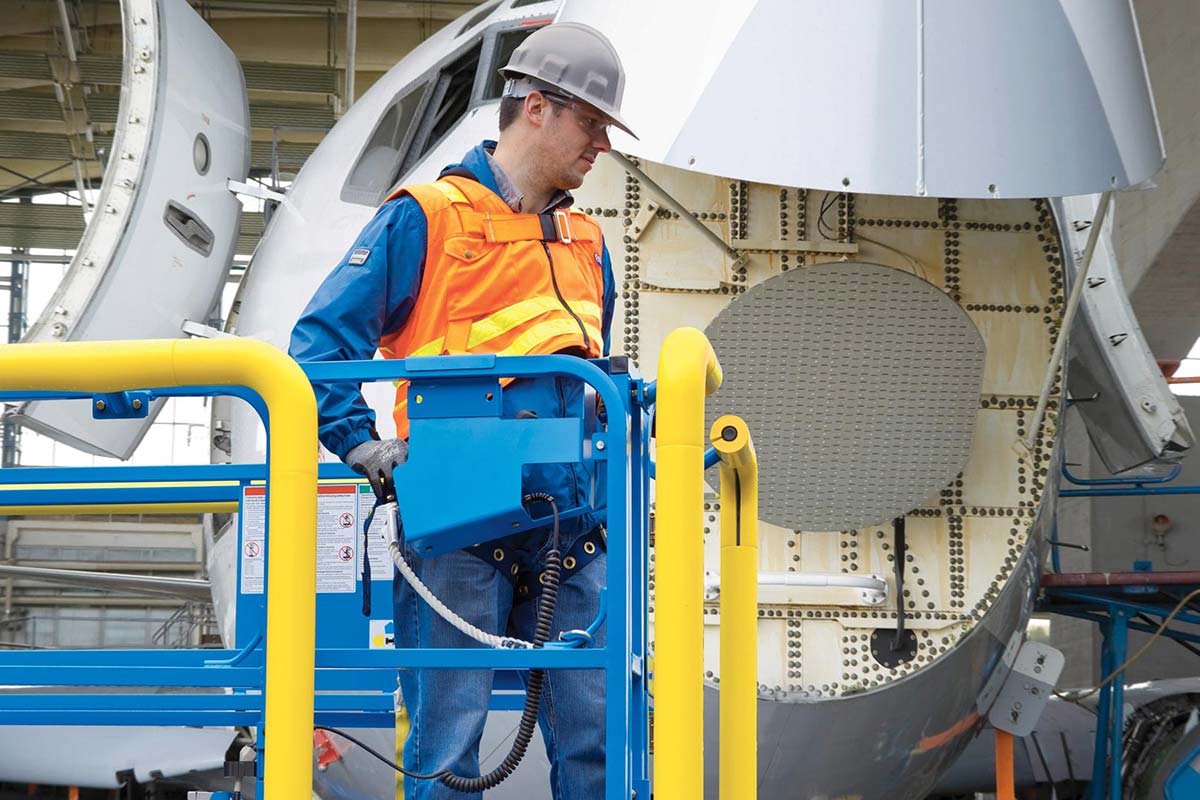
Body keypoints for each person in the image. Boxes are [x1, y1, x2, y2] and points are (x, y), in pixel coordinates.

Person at [289, 21, 635, 800]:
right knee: (448, 751)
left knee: (603, 747)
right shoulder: (426, 215)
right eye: (592, 122)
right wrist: (361, 446)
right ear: (537, 109)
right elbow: (316, 347)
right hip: (455, 528)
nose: (602, 145)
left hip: (570, 529)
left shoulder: (587, 241)